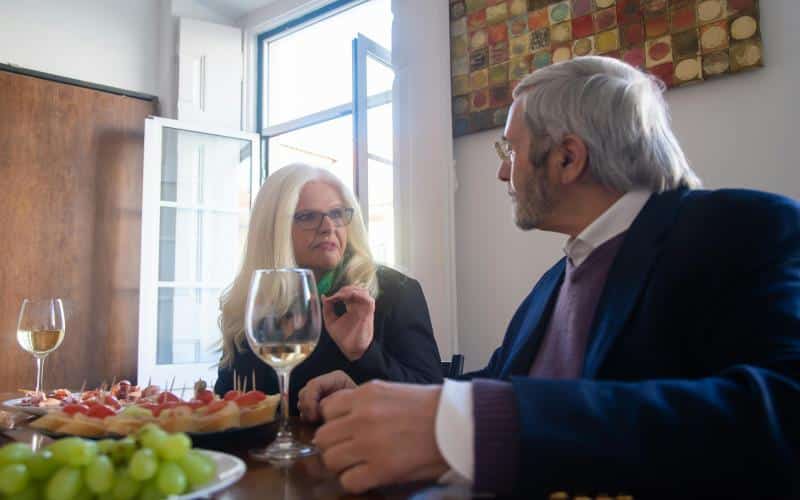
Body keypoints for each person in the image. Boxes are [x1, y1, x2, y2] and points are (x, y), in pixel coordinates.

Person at [300, 56, 800, 497]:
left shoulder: (747, 229)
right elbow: (490, 388)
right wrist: (366, 381)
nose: (503, 174)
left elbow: (783, 411)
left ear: (567, 157)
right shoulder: (554, 283)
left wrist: (487, 427)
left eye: (510, 152)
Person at [215, 164, 442, 412]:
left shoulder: (396, 291)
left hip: (359, 448)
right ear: (273, 230)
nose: (328, 227)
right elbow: (230, 403)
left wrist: (364, 354)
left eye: (336, 214)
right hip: (262, 450)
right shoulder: (252, 300)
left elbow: (432, 401)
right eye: (308, 217)